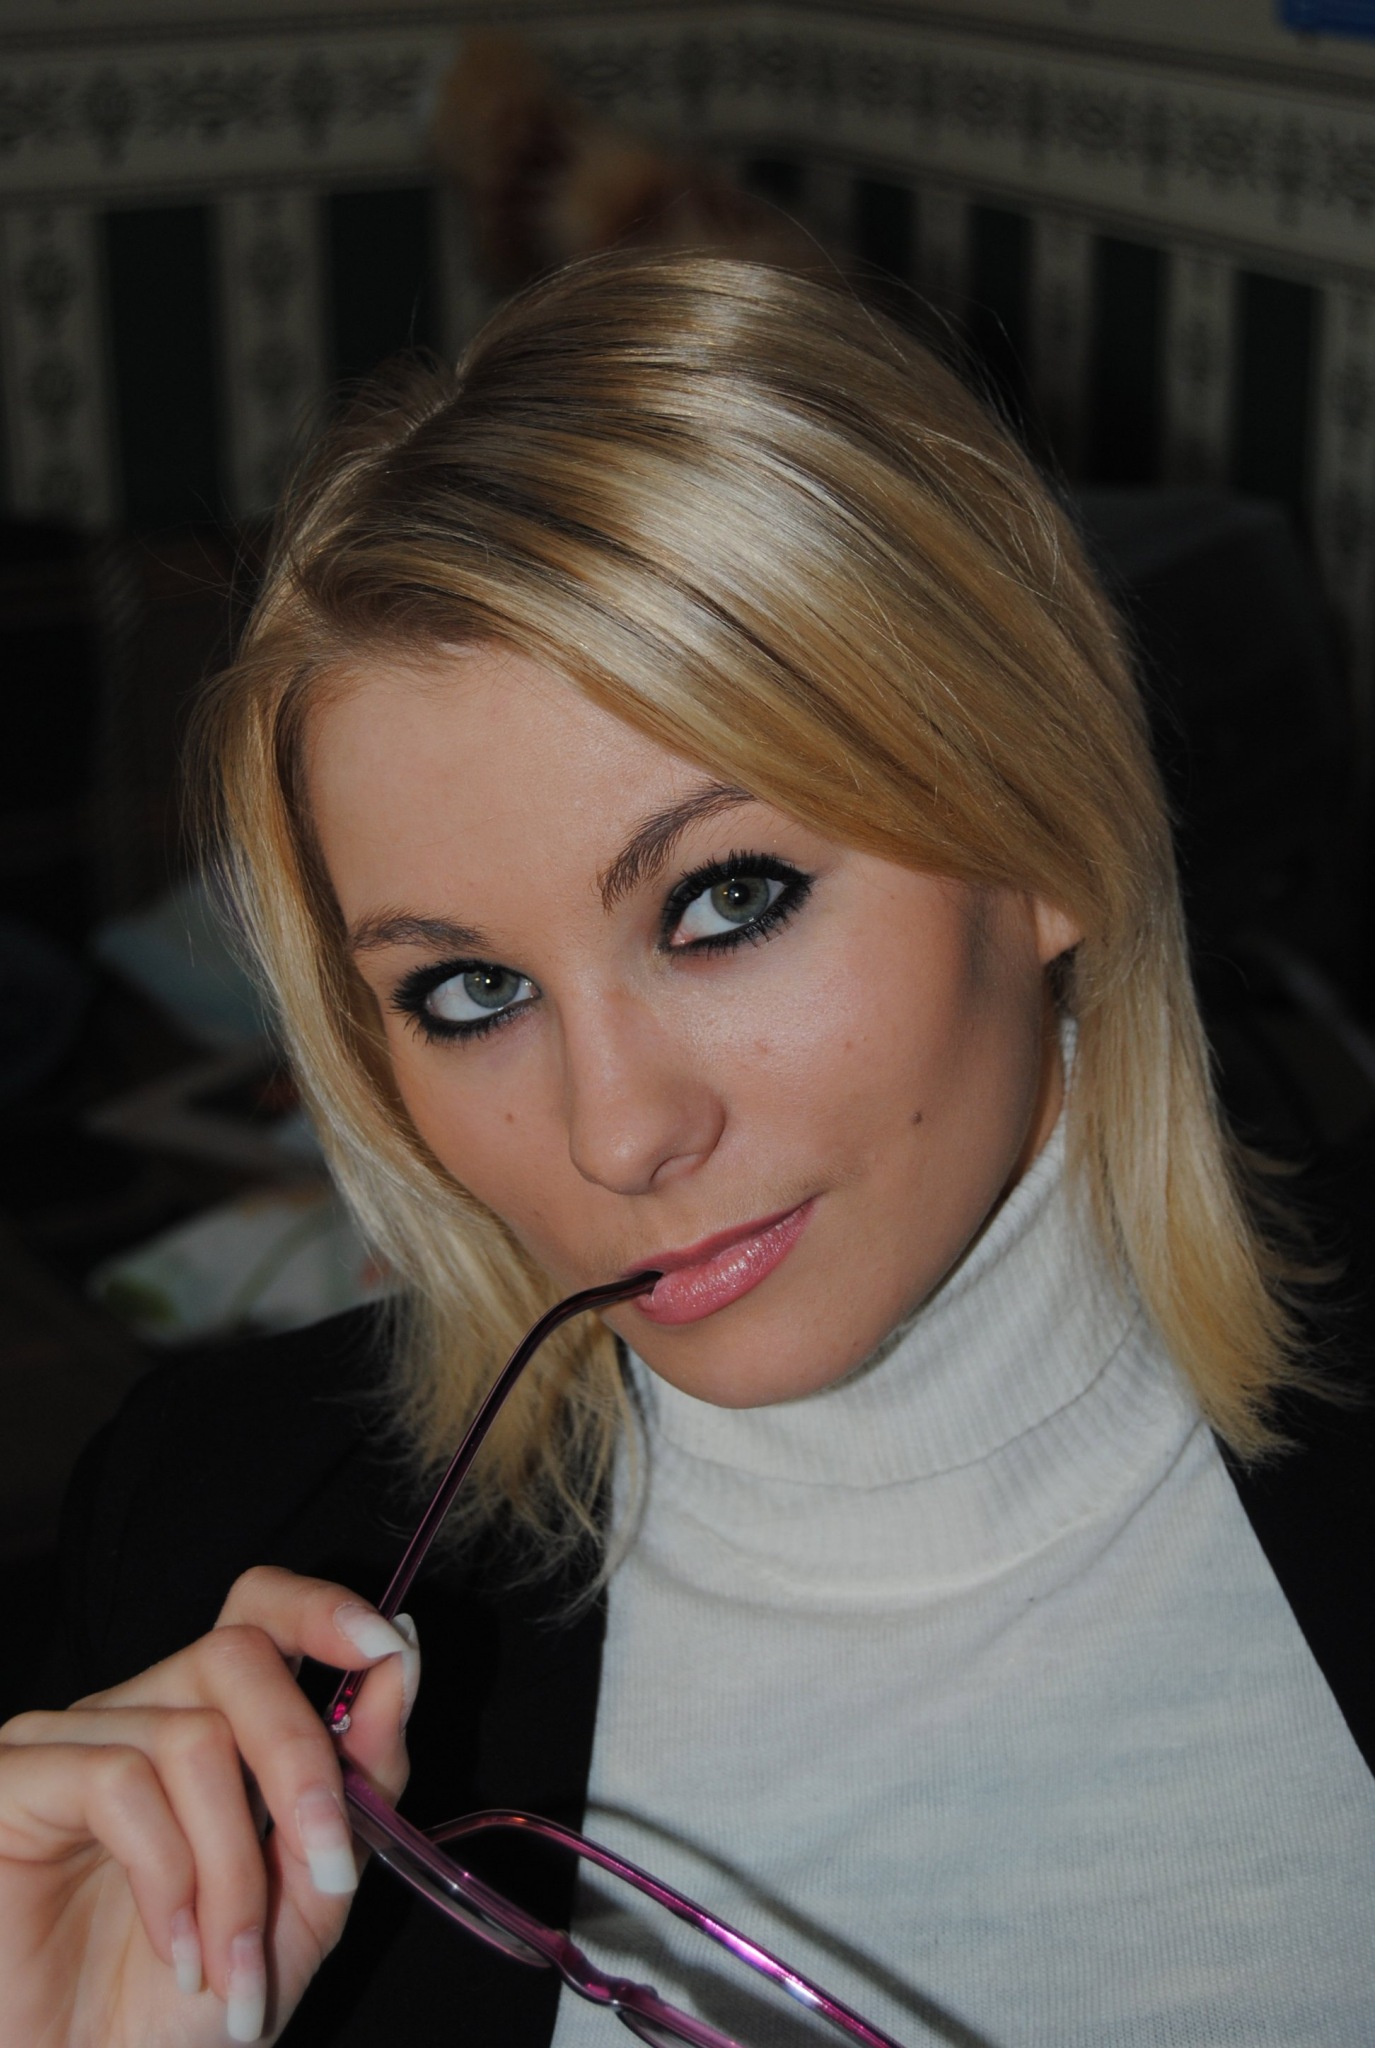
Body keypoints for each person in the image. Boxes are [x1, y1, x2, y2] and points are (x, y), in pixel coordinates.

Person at [2, 253, 1372, 2048]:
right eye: (473, 991)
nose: (620, 1134)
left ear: (1043, 835)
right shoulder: (214, 1546)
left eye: (728, 901)